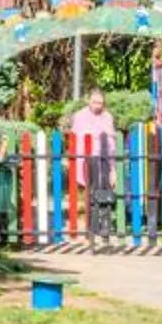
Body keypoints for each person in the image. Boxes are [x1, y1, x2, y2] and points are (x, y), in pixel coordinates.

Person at [68, 94, 120, 235]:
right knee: (91, 192)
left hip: (104, 158)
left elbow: (111, 142)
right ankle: (92, 225)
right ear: (88, 101)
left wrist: (113, 166)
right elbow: (76, 138)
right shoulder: (80, 116)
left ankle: (105, 224)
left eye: (100, 103)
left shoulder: (107, 117)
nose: (97, 105)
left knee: (105, 189)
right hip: (87, 159)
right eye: (94, 102)